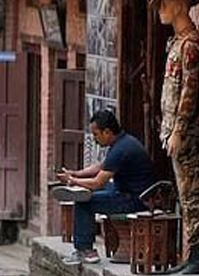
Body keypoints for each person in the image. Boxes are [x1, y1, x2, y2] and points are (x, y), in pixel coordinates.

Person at [152, 0, 199, 274]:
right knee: (184, 192)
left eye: (163, 3)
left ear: (178, 4)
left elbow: (189, 91)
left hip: (188, 134)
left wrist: (178, 129)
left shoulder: (191, 45)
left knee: (193, 191)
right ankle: (192, 251)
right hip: (175, 130)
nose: (160, 10)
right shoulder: (176, 42)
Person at [53, 110, 154, 265]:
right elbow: (100, 168)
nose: (94, 139)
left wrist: (73, 181)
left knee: (84, 202)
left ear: (107, 132)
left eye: (96, 134)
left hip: (135, 199)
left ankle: (85, 250)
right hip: (126, 191)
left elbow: (97, 183)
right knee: (91, 191)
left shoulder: (121, 149)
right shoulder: (123, 142)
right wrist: (76, 174)